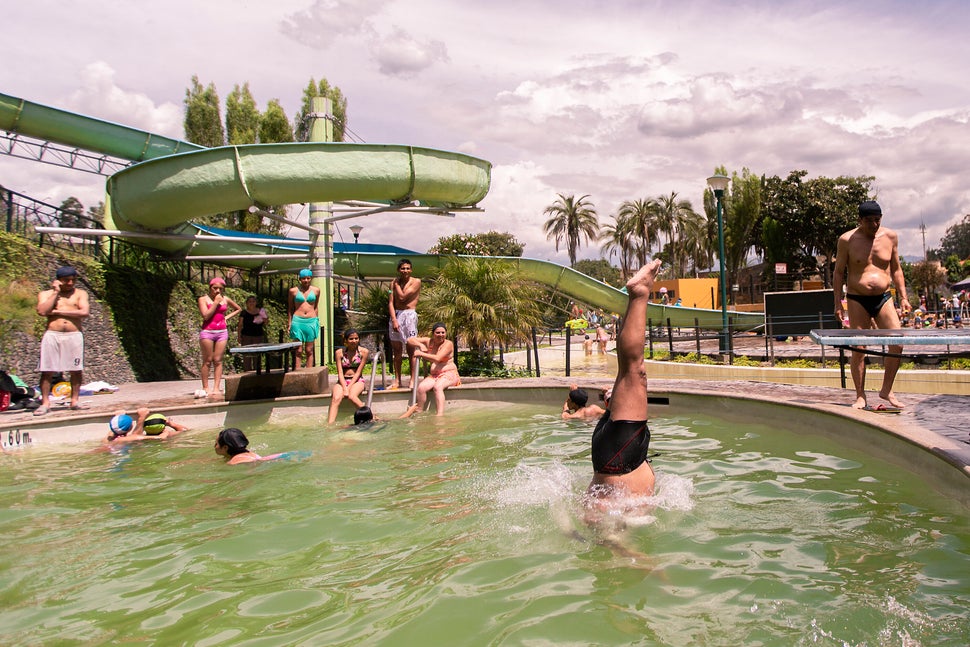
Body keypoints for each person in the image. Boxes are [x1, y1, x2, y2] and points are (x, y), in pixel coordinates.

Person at [585, 259, 663, 509]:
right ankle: (638, 295)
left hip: (620, 456)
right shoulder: (604, 514)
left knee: (632, 371)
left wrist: (628, 551)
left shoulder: (610, 517)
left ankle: (639, 293)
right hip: (613, 456)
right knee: (628, 372)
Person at [833, 201, 910, 410]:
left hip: (884, 297)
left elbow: (896, 269)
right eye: (869, 221)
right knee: (859, 347)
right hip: (857, 298)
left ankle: (886, 390)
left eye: (877, 220)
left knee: (897, 341)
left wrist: (903, 297)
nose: (874, 225)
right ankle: (860, 396)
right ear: (860, 220)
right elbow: (839, 272)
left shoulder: (890, 237)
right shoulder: (847, 240)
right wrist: (838, 303)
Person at [35, 266, 90, 415]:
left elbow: (84, 312)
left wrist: (58, 312)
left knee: (76, 369)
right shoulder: (46, 294)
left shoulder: (80, 294)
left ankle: (74, 401)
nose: (71, 283)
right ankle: (45, 403)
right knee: (47, 370)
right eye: (66, 280)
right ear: (58, 281)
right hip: (53, 334)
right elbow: (42, 311)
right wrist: (56, 292)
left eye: (73, 280)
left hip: (73, 335)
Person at [198, 277, 242, 398]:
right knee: (207, 360)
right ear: (210, 288)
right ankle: (205, 387)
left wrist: (226, 318)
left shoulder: (225, 299)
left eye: (220, 289)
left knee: (218, 360)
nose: (217, 291)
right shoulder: (203, 299)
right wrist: (216, 303)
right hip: (208, 331)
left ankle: (216, 387)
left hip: (221, 331)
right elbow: (206, 316)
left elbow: (238, 309)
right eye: (215, 288)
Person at [408, 323, 460, 416]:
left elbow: (437, 358)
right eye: (438, 332)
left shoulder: (448, 344)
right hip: (435, 375)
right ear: (433, 333)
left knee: (438, 387)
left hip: (449, 374)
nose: (440, 335)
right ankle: (419, 411)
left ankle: (439, 415)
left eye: (443, 332)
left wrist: (421, 353)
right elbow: (410, 340)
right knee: (421, 388)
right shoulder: (429, 342)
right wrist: (421, 345)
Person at [388, 259, 421, 389]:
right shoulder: (393, 283)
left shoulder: (416, 282)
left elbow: (402, 297)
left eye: (407, 268)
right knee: (396, 350)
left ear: (411, 270)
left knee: (411, 349)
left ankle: (413, 379)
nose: (405, 271)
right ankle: (397, 380)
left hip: (409, 314)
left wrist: (396, 285)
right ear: (398, 270)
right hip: (396, 314)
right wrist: (394, 319)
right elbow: (391, 302)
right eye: (403, 268)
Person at [327, 329, 371, 424]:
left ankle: (371, 417)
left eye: (356, 338)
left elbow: (358, 372)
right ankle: (330, 424)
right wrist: (344, 387)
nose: (354, 341)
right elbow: (340, 373)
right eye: (351, 339)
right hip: (342, 380)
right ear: (346, 340)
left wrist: (348, 388)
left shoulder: (364, 352)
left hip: (357, 380)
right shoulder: (339, 352)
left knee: (352, 396)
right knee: (336, 398)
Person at [288, 269, 321, 369]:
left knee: (309, 350)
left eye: (308, 278)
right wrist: (289, 323)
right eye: (303, 278)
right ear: (300, 279)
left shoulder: (316, 290)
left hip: (311, 320)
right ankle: (297, 371)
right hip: (298, 320)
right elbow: (290, 308)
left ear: (311, 278)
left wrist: (316, 321)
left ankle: (309, 371)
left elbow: (315, 306)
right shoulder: (293, 291)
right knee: (298, 349)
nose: (306, 280)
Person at [104, 407, 189, 444]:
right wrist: (142, 416)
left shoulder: (109, 438)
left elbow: (115, 429)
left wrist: (118, 417)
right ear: (130, 428)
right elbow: (184, 430)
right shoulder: (130, 438)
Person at [214, 427, 284, 464]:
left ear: (225, 447)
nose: (214, 446)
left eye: (216, 444)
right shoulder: (249, 453)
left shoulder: (233, 462)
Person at [238, 295, 268, 371]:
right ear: (247, 303)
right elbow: (240, 325)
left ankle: (257, 372)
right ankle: (247, 372)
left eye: (253, 301)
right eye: (250, 302)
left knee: (257, 356)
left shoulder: (261, 311)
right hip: (246, 336)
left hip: (258, 336)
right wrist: (239, 336)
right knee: (247, 356)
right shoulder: (244, 313)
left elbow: (266, 322)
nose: (251, 303)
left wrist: (264, 317)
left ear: (256, 303)